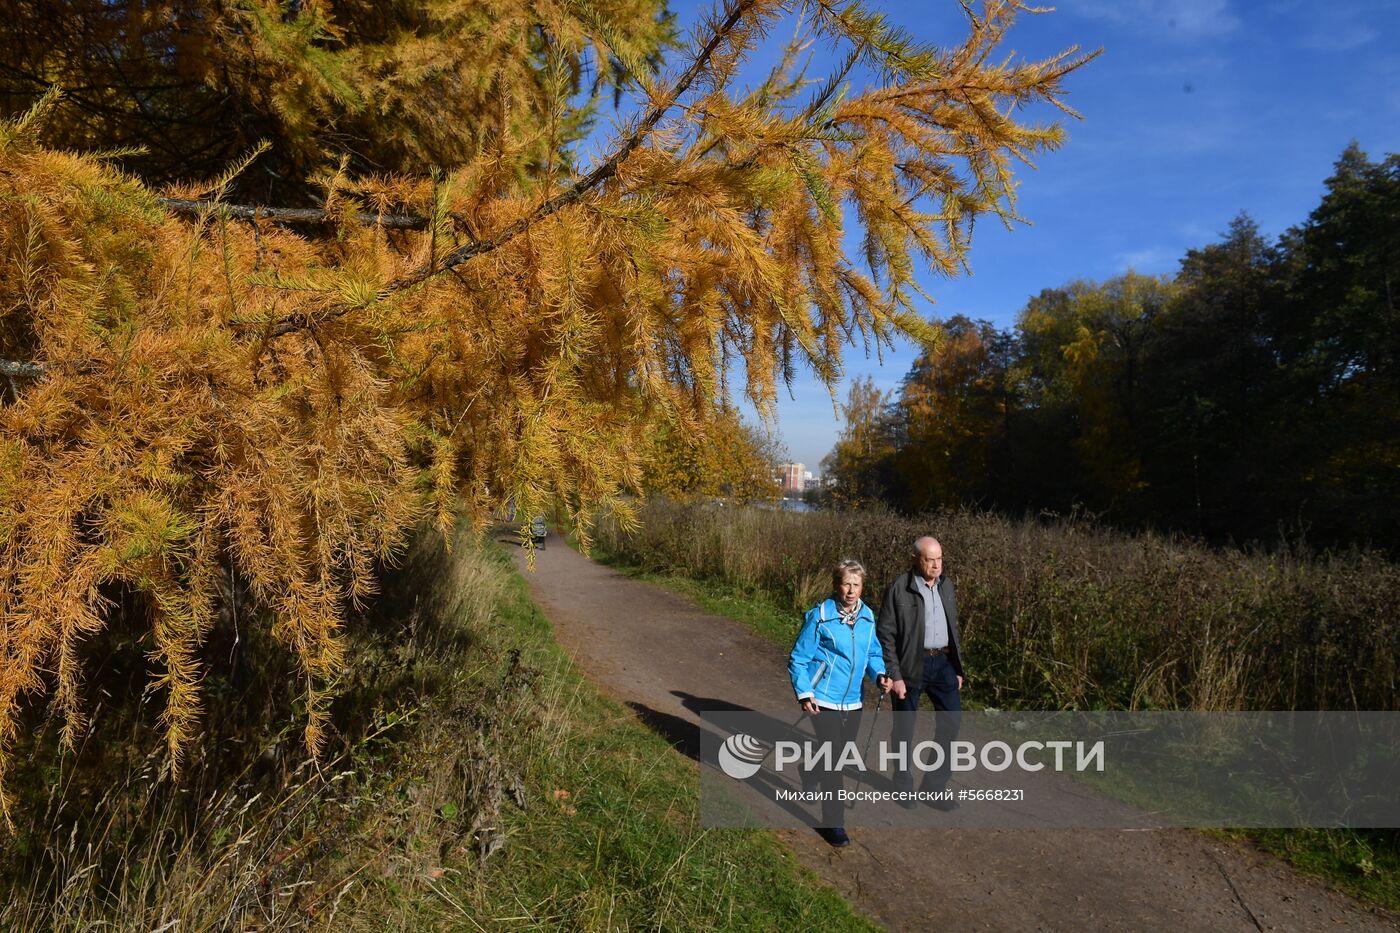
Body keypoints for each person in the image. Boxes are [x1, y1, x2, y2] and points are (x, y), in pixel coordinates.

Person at [788, 558, 892, 847]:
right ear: (836, 585)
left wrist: (880, 674)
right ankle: (833, 822)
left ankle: (809, 770)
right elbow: (798, 659)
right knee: (834, 762)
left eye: (856, 585)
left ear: (862, 587)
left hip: (853, 701)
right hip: (823, 698)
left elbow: (872, 654)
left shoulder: (868, 618)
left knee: (838, 754)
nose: (851, 590)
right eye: (846, 583)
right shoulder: (820, 617)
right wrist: (805, 692)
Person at [877, 536, 965, 809]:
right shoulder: (899, 589)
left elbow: (952, 627)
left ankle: (934, 787)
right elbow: (886, 633)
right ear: (915, 559)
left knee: (951, 723)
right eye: (930, 559)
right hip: (910, 665)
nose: (937, 565)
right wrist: (895, 674)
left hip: (943, 665)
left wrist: (957, 668)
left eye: (939, 559)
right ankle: (902, 785)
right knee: (904, 728)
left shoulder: (946, 585)